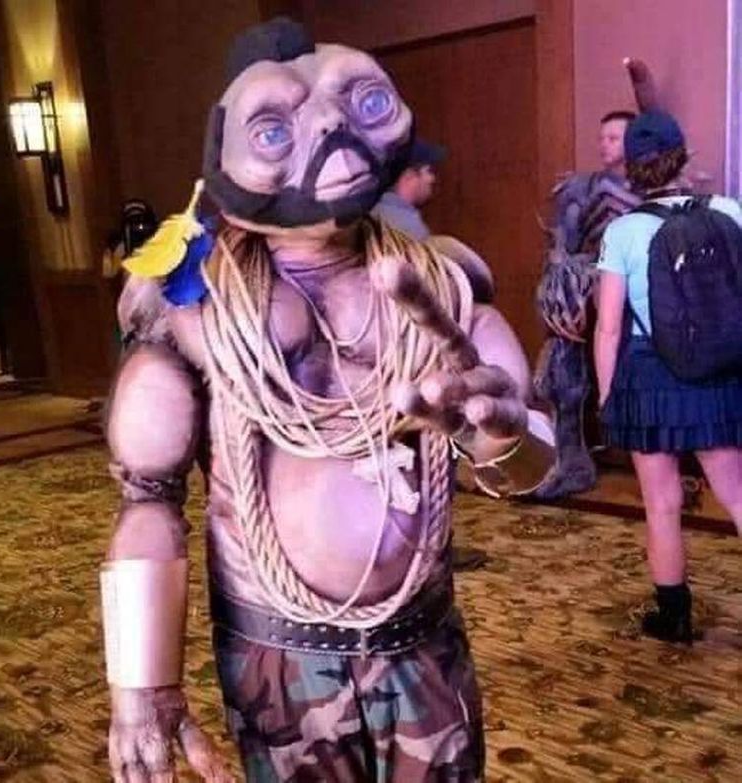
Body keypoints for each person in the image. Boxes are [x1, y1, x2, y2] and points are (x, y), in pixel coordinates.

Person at [100, 18, 555, 783]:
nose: (329, 131)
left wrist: (504, 436)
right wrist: (142, 688)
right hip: (279, 660)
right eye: (275, 128)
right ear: (221, 158)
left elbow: (529, 462)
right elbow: (147, 500)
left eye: (362, 103)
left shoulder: (441, 292)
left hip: (422, 641)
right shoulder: (194, 314)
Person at [595, 109, 742, 644]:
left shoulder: (622, 231)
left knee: (661, 503)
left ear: (631, 167)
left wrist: (608, 395)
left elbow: (608, 326)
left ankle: (674, 616)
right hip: (719, 370)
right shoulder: (728, 210)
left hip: (650, 374)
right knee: (738, 495)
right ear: (684, 157)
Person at [533, 102, 642, 499]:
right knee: (562, 372)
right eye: (602, 138)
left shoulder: (658, 190)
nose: (604, 144)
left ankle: (656, 465)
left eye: (614, 137)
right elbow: (562, 249)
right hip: (588, 297)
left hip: (642, 300)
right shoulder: (580, 189)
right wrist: (564, 290)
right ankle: (572, 462)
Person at [371, 138, 445, 240]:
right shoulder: (407, 226)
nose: (432, 179)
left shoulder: (372, 212)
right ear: (409, 175)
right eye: (429, 171)